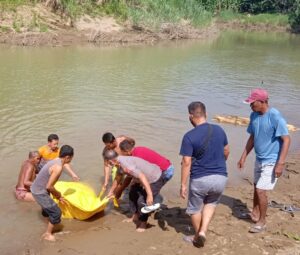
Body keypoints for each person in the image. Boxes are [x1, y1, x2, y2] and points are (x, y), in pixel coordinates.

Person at [237, 88, 290, 233]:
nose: (251, 105)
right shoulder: (253, 115)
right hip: (259, 158)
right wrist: (243, 156)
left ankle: (262, 221)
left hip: (272, 160)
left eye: (253, 103)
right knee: (256, 186)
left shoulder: (275, 116)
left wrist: (281, 163)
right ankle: (254, 214)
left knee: (261, 191)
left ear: (263, 102)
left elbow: (286, 140)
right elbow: (252, 137)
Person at [180, 101, 229, 248]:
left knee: (195, 208)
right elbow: (226, 151)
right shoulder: (219, 130)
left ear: (190, 116)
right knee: (211, 203)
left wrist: (183, 184)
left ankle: (197, 236)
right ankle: (203, 231)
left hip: (200, 178)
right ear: (206, 114)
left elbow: (186, 162)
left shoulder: (189, 136)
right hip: (221, 177)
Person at [103, 148, 164, 232]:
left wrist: (149, 195)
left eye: (108, 163)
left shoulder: (126, 165)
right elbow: (118, 178)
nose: (109, 165)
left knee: (142, 201)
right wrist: (111, 192)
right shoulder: (119, 162)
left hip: (154, 178)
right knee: (132, 194)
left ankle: (143, 223)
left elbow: (142, 177)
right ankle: (135, 216)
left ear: (112, 161)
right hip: (142, 178)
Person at [31, 145, 75, 242]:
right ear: (68, 157)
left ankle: (49, 224)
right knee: (56, 212)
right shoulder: (58, 167)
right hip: (39, 192)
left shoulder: (56, 160)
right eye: (71, 157)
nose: (71, 159)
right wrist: (59, 195)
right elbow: (49, 186)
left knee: (47, 210)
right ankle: (48, 234)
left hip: (37, 188)